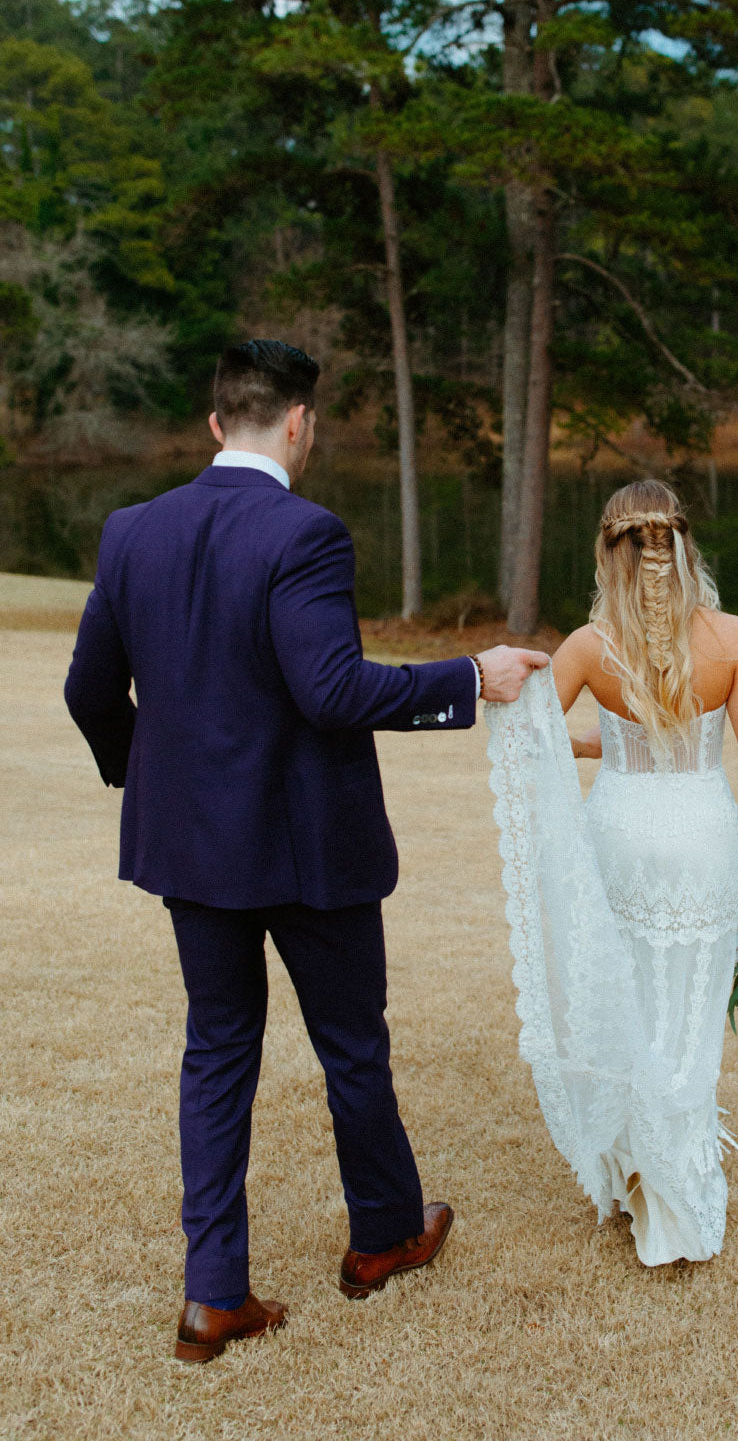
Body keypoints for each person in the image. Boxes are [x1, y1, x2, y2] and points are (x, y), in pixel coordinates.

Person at [64, 338, 547, 1362]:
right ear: (297, 423)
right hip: (306, 848)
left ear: (213, 424)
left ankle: (212, 1297)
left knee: (217, 1050)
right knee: (350, 1046)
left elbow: (88, 693)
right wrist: (473, 675)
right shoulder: (306, 533)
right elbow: (331, 689)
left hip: (189, 847)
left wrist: (141, 774)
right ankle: (382, 1239)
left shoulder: (131, 531)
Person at [485, 479, 738, 1266]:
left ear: (610, 553)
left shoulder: (591, 648)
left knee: (622, 996)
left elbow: (530, 740)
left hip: (620, 834)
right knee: (687, 1010)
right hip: (697, 833)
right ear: (684, 548)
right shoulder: (731, 638)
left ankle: (633, 1169)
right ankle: (673, 1196)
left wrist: (600, 743)